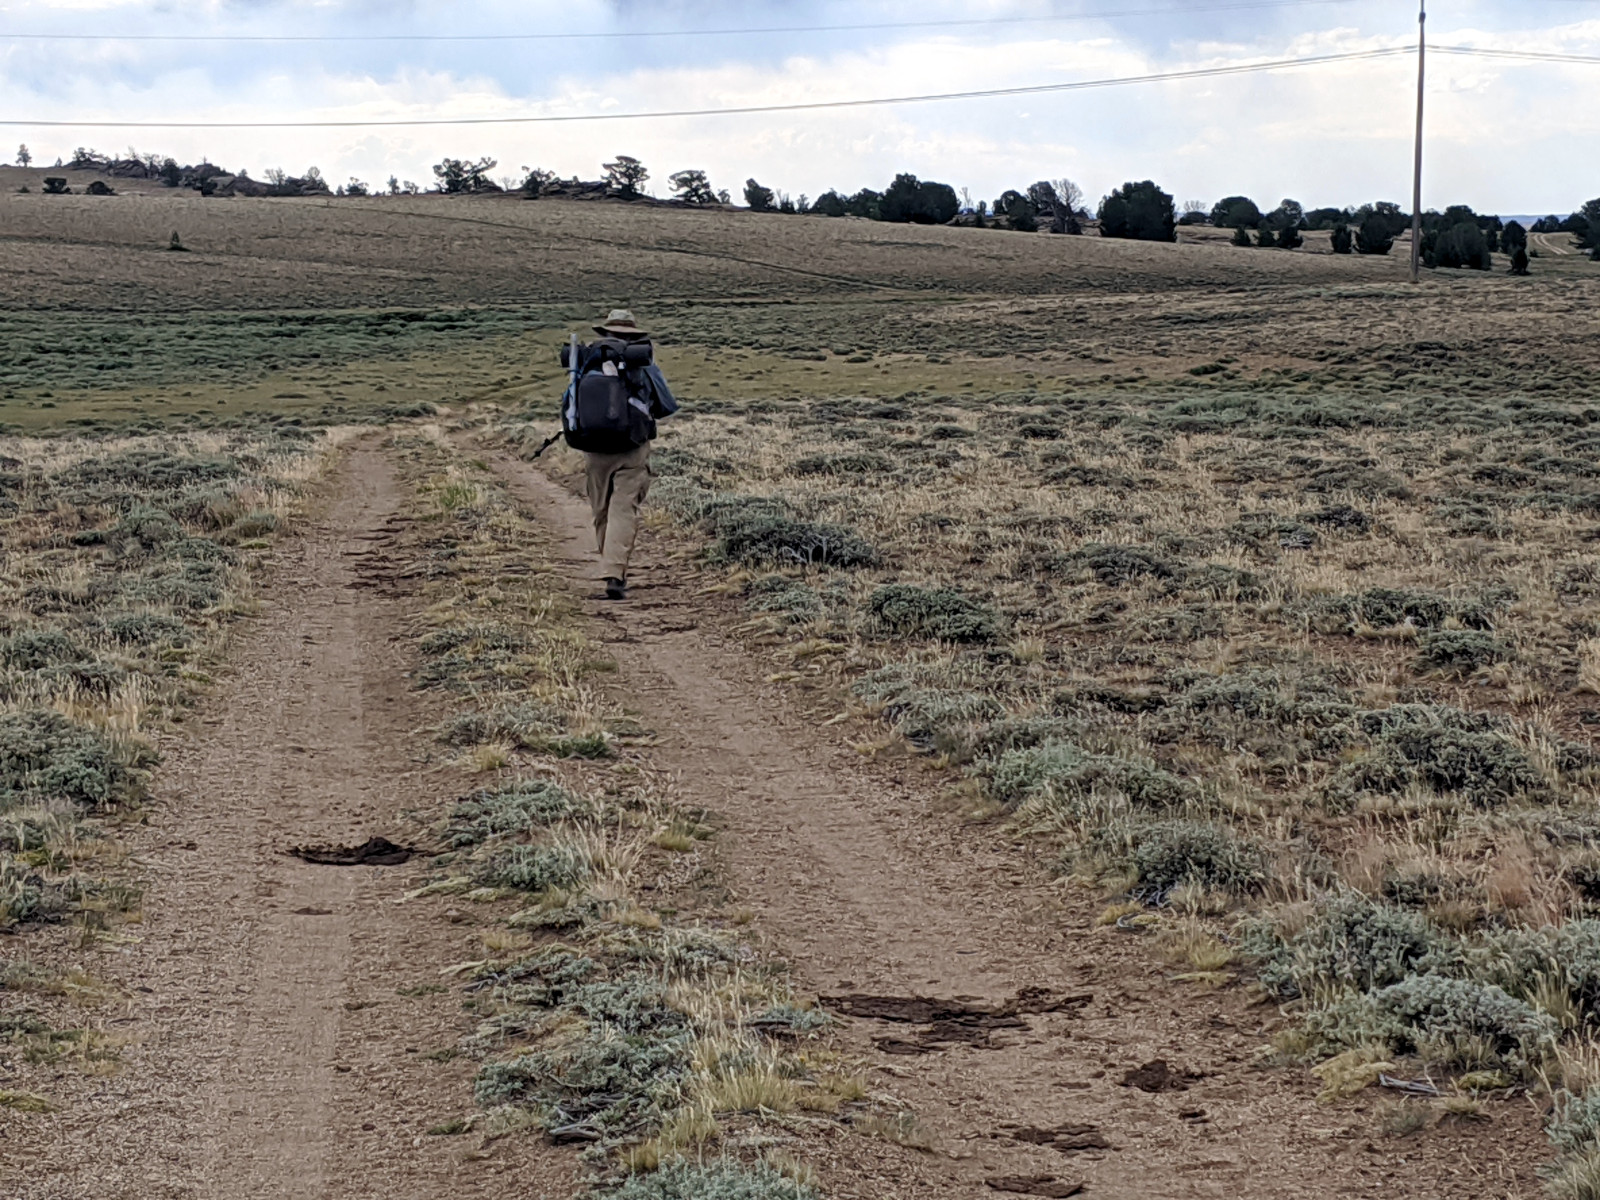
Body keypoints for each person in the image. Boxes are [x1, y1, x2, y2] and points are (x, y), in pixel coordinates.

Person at [579, 309, 677, 600]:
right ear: (634, 335)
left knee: (601, 512)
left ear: (606, 333)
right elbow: (667, 405)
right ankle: (614, 574)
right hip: (632, 448)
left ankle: (611, 567)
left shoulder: (588, 362)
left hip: (594, 449)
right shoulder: (642, 363)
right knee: (623, 509)